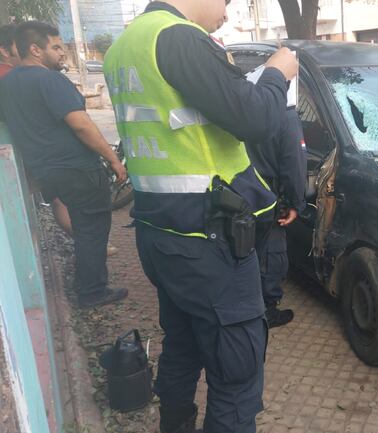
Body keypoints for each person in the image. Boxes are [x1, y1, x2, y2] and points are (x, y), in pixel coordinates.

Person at [103, 0, 297, 431]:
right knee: (237, 373)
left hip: (160, 232)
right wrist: (276, 73)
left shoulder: (123, 47)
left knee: (183, 345)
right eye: (226, 3)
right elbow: (257, 118)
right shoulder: (179, 38)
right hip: (210, 243)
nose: (226, 12)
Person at [0, 21, 128, 308]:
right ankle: (93, 292)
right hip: (77, 168)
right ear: (35, 49)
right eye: (56, 47)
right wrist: (112, 159)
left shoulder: (6, 84)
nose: (62, 53)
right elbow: (81, 125)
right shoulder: (50, 80)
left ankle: (85, 282)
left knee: (83, 228)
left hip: (46, 172)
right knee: (93, 229)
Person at [250, 107, 307, 328]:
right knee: (271, 253)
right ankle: (266, 311)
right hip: (267, 198)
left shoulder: (234, 99)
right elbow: (294, 163)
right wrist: (295, 203)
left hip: (233, 194)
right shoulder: (284, 114)